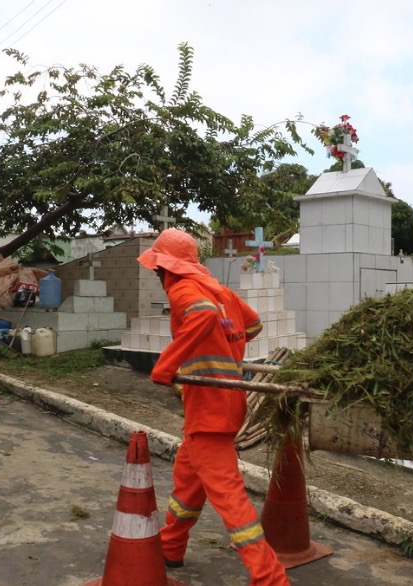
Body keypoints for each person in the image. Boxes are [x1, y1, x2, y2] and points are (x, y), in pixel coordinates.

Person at [137, 228, 289, 586]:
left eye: (158, 269)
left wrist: (165, 367)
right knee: (188, 482)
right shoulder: (219, 291)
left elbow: (203, 317)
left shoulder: (183, 290)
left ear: (166, 268)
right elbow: (253, 324)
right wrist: (226, 342)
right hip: (224, 403)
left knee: (230, 498)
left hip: (208, 408)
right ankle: (171, 546)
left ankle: (270, 578)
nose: (158, 275)